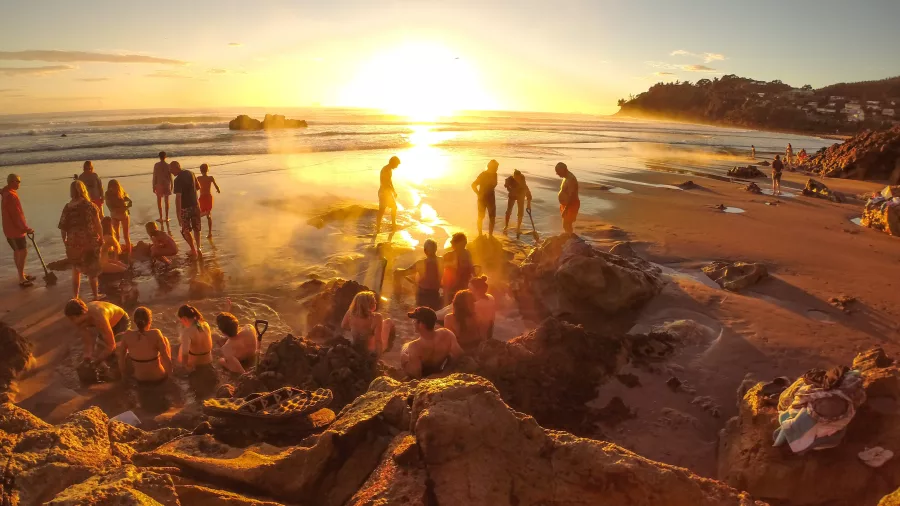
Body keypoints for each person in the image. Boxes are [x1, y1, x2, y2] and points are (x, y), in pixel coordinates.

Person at [59, 180, 103, 299]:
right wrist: (102, 238)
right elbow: (98, 224)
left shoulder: (67, 207)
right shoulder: (90, 206)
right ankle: (95, 295)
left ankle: (76, 297)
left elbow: (63, 227)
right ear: (84, 190)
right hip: (89, 241)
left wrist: (65, 241)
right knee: (92, 271)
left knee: (75, 269)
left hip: (73, 242)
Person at [401, 306, 464, 379]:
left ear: (421, 324)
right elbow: (459, 355)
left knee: (405, 351)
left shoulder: (414, 346)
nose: (413, 322)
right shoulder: (447, 334)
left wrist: (405, 364)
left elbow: (416, 375)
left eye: (414, 320)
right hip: (439, 374)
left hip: (426, 380)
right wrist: (445, 372)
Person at [64, 298, 129, 367]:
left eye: (72, 319)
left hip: (120, 321)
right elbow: (87, 342)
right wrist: (87, 358)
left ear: (83, 313)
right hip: (105, 324)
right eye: (70, 319)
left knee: (119, 352)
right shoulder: (79, 320)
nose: (73, 322)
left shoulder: (98, 317)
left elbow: (111, 345)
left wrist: (97, 362)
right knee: (98, 352)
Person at [116, 307, 172, 384]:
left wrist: (124, 376)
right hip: (159, 378)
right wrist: (170, 378)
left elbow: (121, 359)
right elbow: (166, 359)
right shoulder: (156, 333)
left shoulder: (127, 335)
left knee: (126, 353)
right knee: (165, 340)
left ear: (134, 321)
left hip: (140, 379)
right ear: (150, 321)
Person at [2, 174, 35, 287]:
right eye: (18, 181)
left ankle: (22, 274)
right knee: (22, 251)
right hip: (15, 230)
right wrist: (26, 228)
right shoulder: (11, 196)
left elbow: (2, 190)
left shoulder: (6, 192)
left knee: (19, 251)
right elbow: (17, 215)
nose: (19, 183)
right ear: (12, 182)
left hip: (8, 229)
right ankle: (21, 278)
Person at [341, 291, 394, 355]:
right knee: (388, 322)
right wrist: (377, 356)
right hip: (369, 350)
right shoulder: (377, 317)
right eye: (374, 301)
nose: (376, 302)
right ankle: (388, 348)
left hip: (355, 346)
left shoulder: (350, 313)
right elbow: (378, 340)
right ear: (369, 304)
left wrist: (356, 329)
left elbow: (343, 325)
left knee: (384, 323)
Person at [396, 238, 443, 310]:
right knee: (433, 315)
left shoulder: (421, 263)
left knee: (421, 316)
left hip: (422, 296)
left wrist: (398, 271)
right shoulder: (442, 261)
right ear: (436, 249)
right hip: (435, 294)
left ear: (425, 251)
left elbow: (405, 272)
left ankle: (397, 300)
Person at [170, 161, 202, 257]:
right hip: (195, 205)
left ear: (177, 167)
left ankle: (193, 249)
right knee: (197, 228)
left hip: (185, 208)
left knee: (185, 230)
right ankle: (199, 247)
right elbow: (198, 187)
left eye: (171, 169)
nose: (171, 172)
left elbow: (178, 197)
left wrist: (178, 214)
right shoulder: (191, 173)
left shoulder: (177, 180)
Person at [176, 304, 213, 371]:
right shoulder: (205, 324)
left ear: (184, 318)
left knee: (182, 346)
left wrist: (184, 367)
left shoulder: (187, 333)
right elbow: (198, 329)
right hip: (209, 361)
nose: (182, 323)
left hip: (196, 365)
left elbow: (185, 355)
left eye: (181, 320)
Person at [441, 232, 474, 305]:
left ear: (459, 244)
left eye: (453, 241)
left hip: (452, 287)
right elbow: (472, 269)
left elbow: (439, 269)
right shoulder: (467, 253)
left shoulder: (449, 255)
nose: (451, 242)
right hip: (464, 285)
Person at [471, 159, 499, 237]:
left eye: (497, 168)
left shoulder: (495, 174)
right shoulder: (483, 175)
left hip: (491, 199)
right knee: (480, 217)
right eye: (496, 167)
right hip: (482, 199)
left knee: (492, 217)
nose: (497, 169)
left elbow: (492, 185)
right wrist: (478, 193)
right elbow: (473, 185)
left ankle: (490, 235)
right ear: (490, 167)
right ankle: (480, 234)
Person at [105, 179, 132, 256]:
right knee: (116, 236)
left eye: (115, 187)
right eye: (111, 187)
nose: (113, 189)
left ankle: (129, 254)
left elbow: (130, 203)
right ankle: (116, 254)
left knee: (126, 236)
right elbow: (109, 206)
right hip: (115, 216)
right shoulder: (107, 194)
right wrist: (119, 208)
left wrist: (124, 208)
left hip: (123, 215)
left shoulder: (121, 192)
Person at [503, 169, 532, 237]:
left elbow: (528, 193)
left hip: (520, 195)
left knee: (520, 212)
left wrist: (528, 203)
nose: (517, 179)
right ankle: (506, 225)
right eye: (516, 178)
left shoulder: (523, 181)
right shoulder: (510, 179)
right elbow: (506, 184)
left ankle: (518, 227)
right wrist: (509, 188)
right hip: (512, 195)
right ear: (514, 176)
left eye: (518, 178)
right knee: (509, 211)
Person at [376, 156, 400, 235]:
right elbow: (386, 183)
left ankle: (392, 224)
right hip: (384, 193)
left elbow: (390, 182)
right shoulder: (385, 170)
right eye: (396, 164)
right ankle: (379, 227)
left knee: (391, 208)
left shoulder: (389, 169)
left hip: (387, 192)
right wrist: (391, 192)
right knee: (382, 210)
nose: (397, 167)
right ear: (393, 163)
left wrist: (394, 191)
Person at [469, 275, 496, 340]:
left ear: (477, 290)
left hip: (479, 336)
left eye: (470, 289)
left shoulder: (476, 305)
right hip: (489, 331)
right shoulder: (490, 297)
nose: (468, 291)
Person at [196, 164, 221, 238]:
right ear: (208, 170)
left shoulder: (198, 178)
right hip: (209, 197)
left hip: (202, 197)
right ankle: (210, 233)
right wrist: (218, 190)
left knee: (199, 214)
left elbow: (196, 188)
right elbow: (216, 186)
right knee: (208, 216)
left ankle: (198, 230)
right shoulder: (210, 178)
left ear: (200, 170)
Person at [555, 162, 580, 234]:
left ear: (563, 170)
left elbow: (571, 196)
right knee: (566, 225)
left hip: (571, 205)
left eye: (558, 172)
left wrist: (566, 209)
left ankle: (570, 239)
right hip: (567, 205)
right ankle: (569, 238)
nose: (557, 174)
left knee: (566, 225)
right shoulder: (566, 177)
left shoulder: (570, 179)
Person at [153, 152, 172, 224]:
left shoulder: (156, 165)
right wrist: (172, 184)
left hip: (159, 184)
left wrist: (153, 186)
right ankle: (166, 217)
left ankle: (161, 217)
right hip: (167, 184)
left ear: (159, 157)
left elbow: (155, 176)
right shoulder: (168, 165)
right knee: (166, 201)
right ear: (165, 157)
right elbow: (170, 176)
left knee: (159, 201)